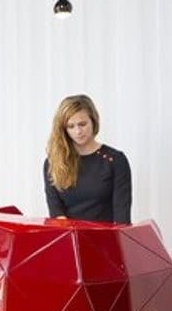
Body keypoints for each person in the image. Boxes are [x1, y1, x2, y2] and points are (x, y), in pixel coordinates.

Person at [43, 94, 132, 224]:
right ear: (64, 129)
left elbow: (122, 216)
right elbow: (56, 212)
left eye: (82, 124)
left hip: (106, 235)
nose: (78, 131)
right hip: (69, 234)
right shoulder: (53, 163)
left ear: (93, 121)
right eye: (71, 126)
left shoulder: (115, 160)